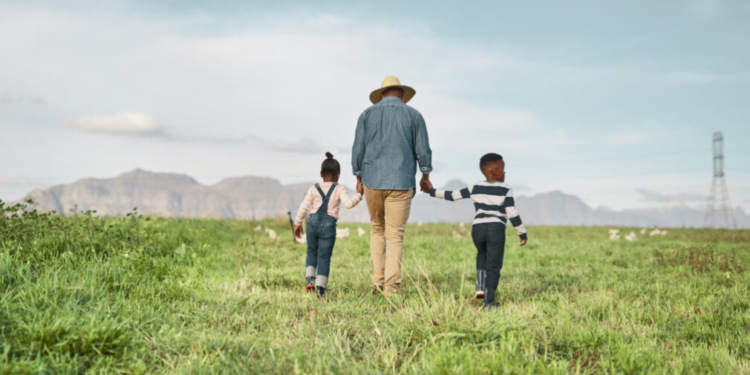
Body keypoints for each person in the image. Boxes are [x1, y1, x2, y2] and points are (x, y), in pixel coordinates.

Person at [352, 76, 433, 296]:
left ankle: (377, 282)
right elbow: (423, 151)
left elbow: (357, 150)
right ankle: (391, 289)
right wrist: (425, 175)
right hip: (401, 180)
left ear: (381, 95)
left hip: (372, 181)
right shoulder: (414, 115)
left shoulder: (366, 115)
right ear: (403, 95)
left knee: (377, 229)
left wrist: (359, 178)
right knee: (395, 235)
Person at [426, 153, 527, 309]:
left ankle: (480, 286)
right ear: (495, 172)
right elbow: (511, 212)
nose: (505, 172)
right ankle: (489, 303)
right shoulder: (506, 188)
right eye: (503, 169)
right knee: (494, 265)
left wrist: (431, 191)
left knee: (482, 254)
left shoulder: (475, 187)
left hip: (478, 228)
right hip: (496, 229)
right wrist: (522, 233)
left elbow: (453, 196)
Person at [293, 152, 364, 299]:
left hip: (312, 223)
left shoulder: (313, 188)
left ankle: (309, 280)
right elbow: (349, 204)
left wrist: (297, 223)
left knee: (311, 251)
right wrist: (359, 194)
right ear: (338, 175)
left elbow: (303, 207)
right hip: (328, 226)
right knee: (324, 258)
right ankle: (320, 292)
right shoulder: (340, 188)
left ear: (321, 174)